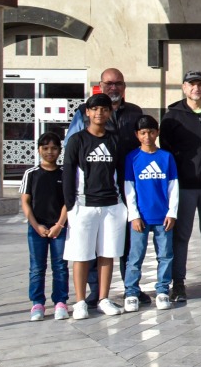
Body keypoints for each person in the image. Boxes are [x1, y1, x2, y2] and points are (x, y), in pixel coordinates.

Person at [67, 68, 146, 307]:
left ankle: (130, 286)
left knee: (124, 241)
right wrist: (70, 200)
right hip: (93, 187)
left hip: (126, 184)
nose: (114, 88)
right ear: (101, 85)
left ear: (124, 86)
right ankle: (94, 291)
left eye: (118, 84)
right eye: (109, 84)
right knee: (91, 243)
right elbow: (72, 156)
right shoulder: (84, 112)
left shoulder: (134, 112)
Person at [159, 70, 201, 302]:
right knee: (181, 236)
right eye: (191, 84)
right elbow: (166, 150)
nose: (196, 88)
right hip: (184, 186)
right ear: (183, 87)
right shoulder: (172, 117)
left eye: (200, 84)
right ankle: (178, 283)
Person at [63, 93, 126, 318]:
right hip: (84, 205)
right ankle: (80, 301)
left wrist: (124, 204)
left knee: (107, 254)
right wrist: (70, 204)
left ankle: (104, 298)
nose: (99, 112)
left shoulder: (115, 140)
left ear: (109, 112)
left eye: (104, 108)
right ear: (87, 113)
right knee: (81, 255)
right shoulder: (77, 140)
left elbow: (121, 173)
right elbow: (68, 173)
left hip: (111, 205)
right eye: (94, 109)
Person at [123, 115, 178, 312]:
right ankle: (131, 292)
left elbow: (173, 186)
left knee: (165, 255)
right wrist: (134, 215)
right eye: (143, 133)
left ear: (157, 133)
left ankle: (162, 291)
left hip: (163, 217)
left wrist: (172, 212)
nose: (147, 136)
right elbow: (129, 189)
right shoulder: (132, 158)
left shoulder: (166, 157)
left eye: (151, 132)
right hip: (141, 218)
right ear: (137, 135)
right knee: (135, 256)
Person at [21, 132, 69, 321]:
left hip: (59, 228)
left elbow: (68, 201)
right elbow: (25, 202)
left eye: (54, 148)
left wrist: (59, 224)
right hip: (36, 228)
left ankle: (60, 302)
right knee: (37, 267)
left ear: (59, 150)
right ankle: (37, 303)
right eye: (46, 148)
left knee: (60, 266)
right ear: (39, 149)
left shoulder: (65, 173)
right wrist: (36, 225)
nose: (50, 152)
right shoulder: (31, 174)